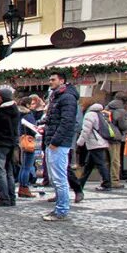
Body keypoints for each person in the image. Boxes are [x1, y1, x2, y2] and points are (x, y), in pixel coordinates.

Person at [41, 71, 79, 222]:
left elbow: (67, 121)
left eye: (53, 79)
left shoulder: (67, 97)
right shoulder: (57, 96)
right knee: (55, 178)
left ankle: (62, 209)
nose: (50, 82)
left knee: (59, 178)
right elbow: (56, 119)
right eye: (49, 79)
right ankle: (59, 207)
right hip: (53, 141)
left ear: (62, 80)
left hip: (59, 143)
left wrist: (55, 141)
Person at [75, 100, 113, 193]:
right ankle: (80, 183)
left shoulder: (90, 115)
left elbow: (86, 130)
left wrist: (80, 142)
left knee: (100, 164)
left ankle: (107, 184)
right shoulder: (100, 114)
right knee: (89, 165)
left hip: (95, 143)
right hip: (101, 141)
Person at [17, 95, 44, 198]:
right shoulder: (27, 115)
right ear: (27, 105)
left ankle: (22, 187)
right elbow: (33, 128)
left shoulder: (20, 113)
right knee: (27, 166)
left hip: (22, 141)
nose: (33, 106)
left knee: (24, 166)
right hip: (29, 141)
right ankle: (24, 187)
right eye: (32, 104)